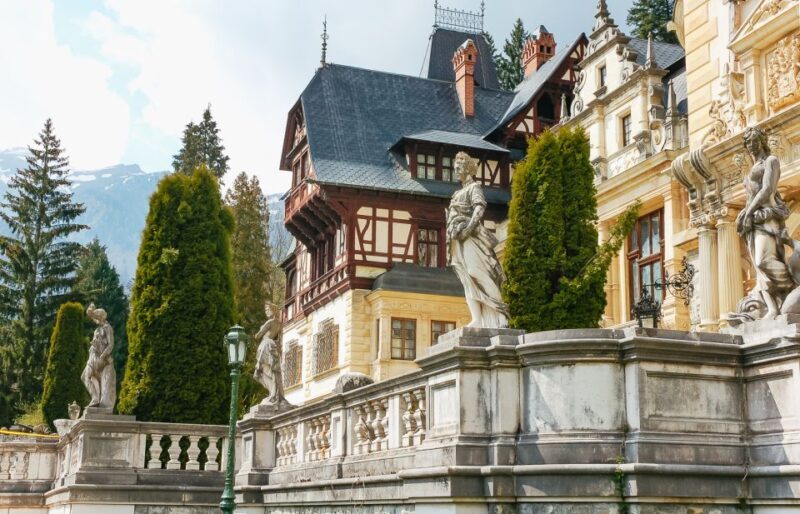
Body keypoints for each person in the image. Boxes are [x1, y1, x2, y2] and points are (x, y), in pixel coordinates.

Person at [736, 127, 795, 319]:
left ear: (762, 142)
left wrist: (749, 211)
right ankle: (773, 309)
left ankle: (790, 285)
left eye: (754, 141)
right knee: (758, 268)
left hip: (767, 217)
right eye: (748, 142)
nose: (751, 145)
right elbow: (750, 195)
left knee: (763, 261)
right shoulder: (751, 168)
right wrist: (745, 214)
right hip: (753, 220)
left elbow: (768, 189)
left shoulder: (771, 161)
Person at [446, 151, 509, 328]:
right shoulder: (457, 192)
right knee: (467, 280)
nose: (456, 171)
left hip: (471, 237)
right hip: (457, 240)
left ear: (467, 168)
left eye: (459, 167)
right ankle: (477, 319)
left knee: (475, 272)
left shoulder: (474, 188)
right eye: (455, 168)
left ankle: (500, 312)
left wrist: (468, 228)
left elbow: (479, 209)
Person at [82, 304, 116, 410]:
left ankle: (97, 400)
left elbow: (111, 345)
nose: (94, 317)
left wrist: (103, 355)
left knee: (103, 385)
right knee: (84, 377)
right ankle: (95, 398)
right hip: (92, 356)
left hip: (102, 359)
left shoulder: (107, 327)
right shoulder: (97, 330)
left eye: (96, 314)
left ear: (101, 316)